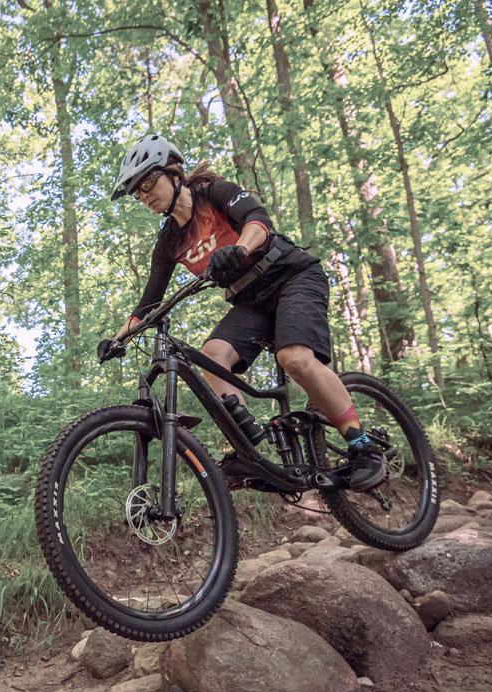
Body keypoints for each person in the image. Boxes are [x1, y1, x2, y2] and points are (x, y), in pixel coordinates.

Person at [102, 134, 384, 491]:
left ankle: (363, 446)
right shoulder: (168, 241)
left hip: (291, 276)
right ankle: (249, 447)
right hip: (251, 301)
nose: (144, 196)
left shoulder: (214, 192)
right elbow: (147, 305)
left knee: (294, 357)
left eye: (147, 183)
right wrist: (117, 338)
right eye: (137, 193)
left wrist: (239, 249)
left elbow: (257, 220)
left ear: (174, 173)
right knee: (212, 357)